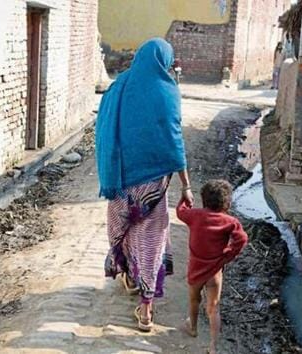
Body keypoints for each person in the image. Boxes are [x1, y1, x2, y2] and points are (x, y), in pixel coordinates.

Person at [95, 38, 194, 332]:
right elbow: (174, 142)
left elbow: (102, 128)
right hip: (152, 187)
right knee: (151, 242)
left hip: (120, 180)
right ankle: (146, 307)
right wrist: (186, 186)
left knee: (121, 229)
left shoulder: (118, 87)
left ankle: (126, 271)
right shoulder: (167, 92)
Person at [176, 180, 248, 354]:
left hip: (196, 268)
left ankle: (192, 327)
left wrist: (185, 196)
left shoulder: (195, 215)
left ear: (203, 199)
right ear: (227, 203)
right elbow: (242, 239)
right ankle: (213, 346)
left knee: (194, 300)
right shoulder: (230, 221)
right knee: (214, 307)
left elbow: (180, 212)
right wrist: (227, 255)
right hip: (215, 270)